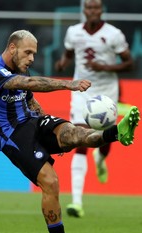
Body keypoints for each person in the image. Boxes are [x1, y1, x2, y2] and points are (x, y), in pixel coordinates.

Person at [0, 29, 139, 233]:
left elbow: (29, 99)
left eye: (34, 53)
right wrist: (68, 85)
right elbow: (29, 83)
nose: (32, 58)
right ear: (12, 48)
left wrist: (48, 125)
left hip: (32, 122)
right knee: (50, 181)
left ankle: (116, 134)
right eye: (28, 52)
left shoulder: (22, 69)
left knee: (72, 133)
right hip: (11, 135)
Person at [55, 0, 134, 218]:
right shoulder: (73, 32)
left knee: (105, 138)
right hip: (82, 91)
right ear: (84, 10)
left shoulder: (113, 34)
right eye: (89, 7)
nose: (92, 11)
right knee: (79, 139)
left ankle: (101, 159)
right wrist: (63, 61)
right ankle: (76, 202)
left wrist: (105, 67)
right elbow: (70, 52)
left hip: (107, 92)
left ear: (101, 10)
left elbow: (130, 63)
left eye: (96, 7)